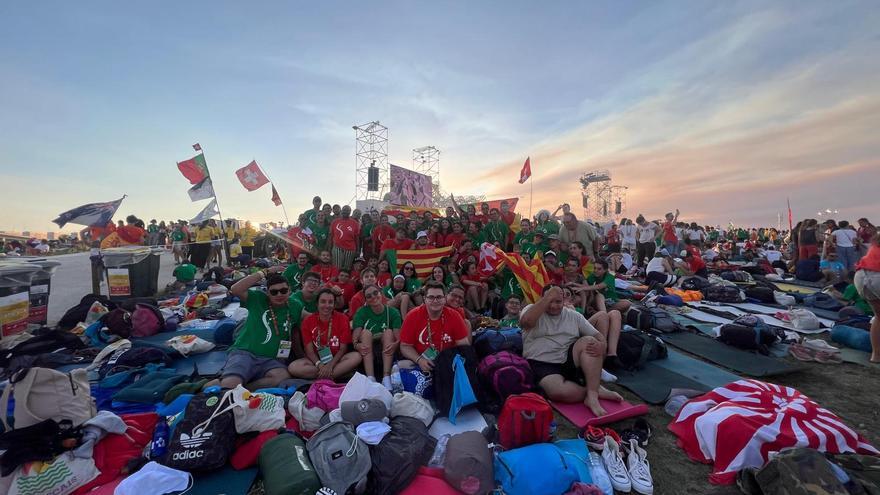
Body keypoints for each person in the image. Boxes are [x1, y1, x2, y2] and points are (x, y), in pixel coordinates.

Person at [520, 285, 622, 417]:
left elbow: (598, 336)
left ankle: (592, 396)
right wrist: (548, 297)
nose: (554, 306)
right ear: (543, 299)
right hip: (541, 362)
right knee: (559, 392)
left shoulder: (573, 316)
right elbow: (526, 322)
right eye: (550, 301)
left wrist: (602, 345)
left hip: (568, 358)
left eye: (558, 302)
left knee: (591, 342)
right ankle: (594, 388)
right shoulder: (531, 310)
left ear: (563, 300)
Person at [210, 269, 299, 389]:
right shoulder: (258, 299)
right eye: (274, 292)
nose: (279, 295)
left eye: (283, 291)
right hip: (245, 353)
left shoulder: (294, 305)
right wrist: (263, 272)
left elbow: (312, 317)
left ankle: (242, 388)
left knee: (282, 377)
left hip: (270, 360)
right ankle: (232, 386)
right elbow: (236, 289)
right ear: (267, 293)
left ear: (290, 291)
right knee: (231, 383)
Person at [288, 289, 362, 380]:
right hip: (316, 360)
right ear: (317, 304)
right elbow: (309, 351)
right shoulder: (308, 321)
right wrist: (321, 366)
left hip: (337, 359)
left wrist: (330, 365)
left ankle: (323, 377)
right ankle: (336, 374)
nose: (327, 305)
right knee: (293, 367)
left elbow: (343, 349)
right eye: (323, 302)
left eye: (330, 302)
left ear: (334, 305)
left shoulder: (343, 319)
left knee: (356, 357)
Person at [399, 281, 471, 372]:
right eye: (431, 297)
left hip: (448, 363)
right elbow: (405, 346)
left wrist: (450, 361)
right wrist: (419, 360)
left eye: (439, 297)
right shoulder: (412, 316)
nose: (435, 301)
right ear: (424, 299)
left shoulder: (455, 316)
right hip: (420, 362)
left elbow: (464, 346)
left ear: (444, 298)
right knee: (400, 367)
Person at [352, 284, 403, 388]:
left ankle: (386, 377)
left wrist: (396, 345)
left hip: (386, 349)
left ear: (381, 293)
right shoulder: (361, 312)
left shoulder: (393, 312)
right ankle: (371, 378)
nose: (373, 297)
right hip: (368, 350)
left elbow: (398, 338)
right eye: (369, 296)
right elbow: (355, 338)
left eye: (375, 293)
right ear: (366, 299)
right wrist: (357, 346)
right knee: (366, 333)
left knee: (388, 332)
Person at [853, 232, 880, 362]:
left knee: (879, 317)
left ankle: (876, 356)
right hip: (877, 277)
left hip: (861, 275)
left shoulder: (876, 241)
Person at [330, 205, 360, 270]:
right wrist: (329, 249)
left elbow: (357, 238)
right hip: (337, 247)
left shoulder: (355, 223)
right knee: (337, 268)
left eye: (347, 210)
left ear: (350, 212)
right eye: (344, 210)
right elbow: (331, 236)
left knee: (347, 269)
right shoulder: (335, 222)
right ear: (341, 211)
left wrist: (358, 250)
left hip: (350, 249)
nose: (345, 212)